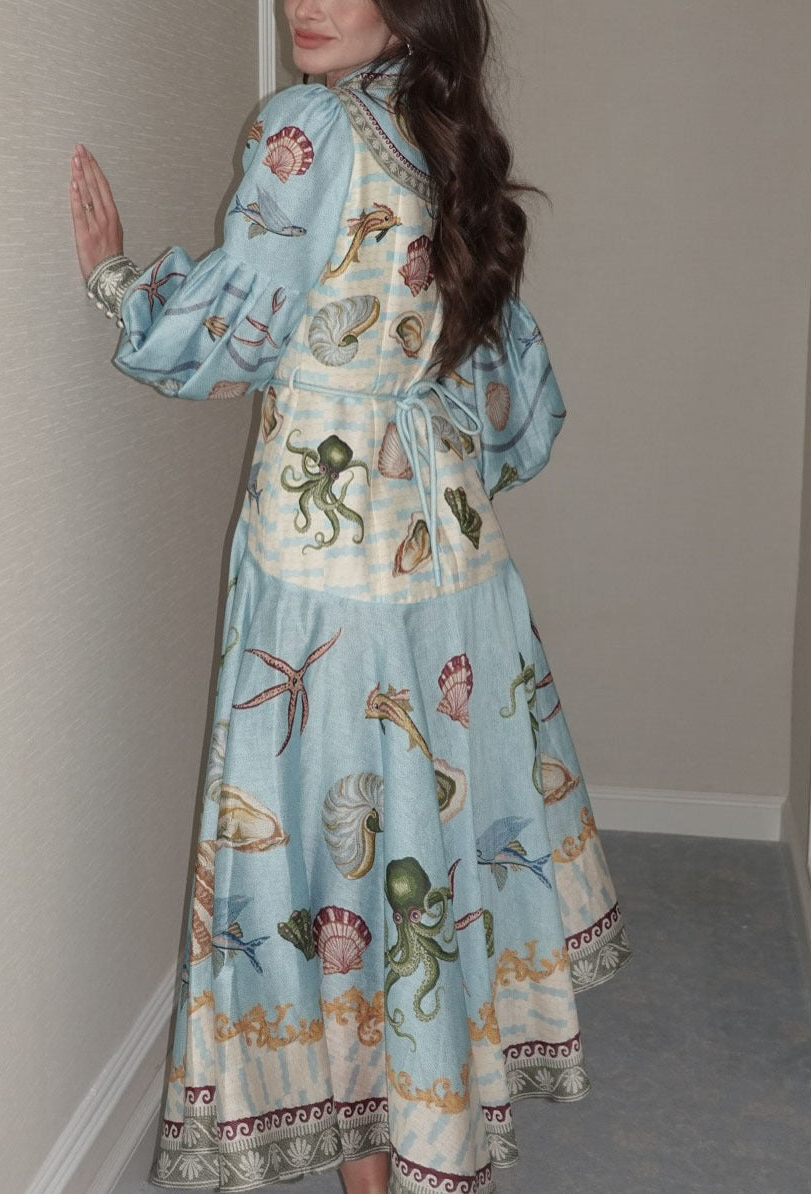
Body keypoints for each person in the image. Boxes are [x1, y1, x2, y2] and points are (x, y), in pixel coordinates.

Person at [69, 3, 632, 1193]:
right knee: (426, 857)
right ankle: (426, 1139)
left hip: (329, 587)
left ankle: (383, 1165)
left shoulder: (309, 129)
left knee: (344, 872)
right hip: (457, 572)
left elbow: (223, 345)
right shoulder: (445, 140)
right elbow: (515, 403)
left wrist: (116, 280)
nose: (304, 3)